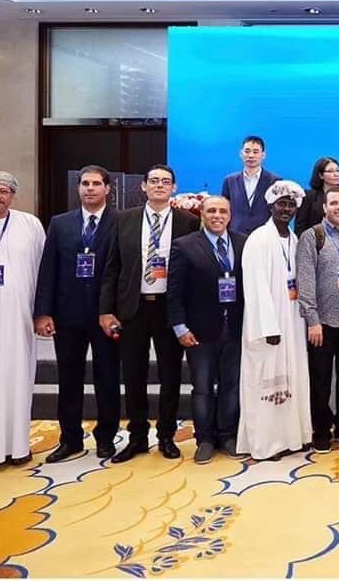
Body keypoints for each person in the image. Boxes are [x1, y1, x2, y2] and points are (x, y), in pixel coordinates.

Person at [100, 164, 199, 463]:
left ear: (174, 187)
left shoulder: (187, 221)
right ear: (143, 186)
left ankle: (166, 436)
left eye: (165, 182)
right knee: (134, 374)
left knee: (170, 374)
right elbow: (112, 267)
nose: (159, 185)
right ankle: (137, 438)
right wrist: (106, 310)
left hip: (170, 308)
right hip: (133, 307)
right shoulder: (123, 219)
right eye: (153, 181)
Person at [34, 166, 120, 463]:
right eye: (85, 183)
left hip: (106, 315)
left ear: (107, 188)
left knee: (107, 377)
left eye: (96, 183)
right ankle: (69, 439)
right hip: (67, 314)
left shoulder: (121, 222)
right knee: (69, 378)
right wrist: (43, 312)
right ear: (78, 188)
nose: (90, 188)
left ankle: (106, 438)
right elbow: (48, 269)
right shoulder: (60, 223)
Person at [167, 195, 246, 464]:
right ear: (202, 214)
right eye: (211, 211)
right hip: (199, 331)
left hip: (235, 329)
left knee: (231, 386)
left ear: (230, 215)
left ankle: (227, 435)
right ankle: (205, 440)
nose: (217, 216)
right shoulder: (185, 246)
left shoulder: (243, 243)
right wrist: (180, 328)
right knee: (202, 388)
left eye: (223, 211)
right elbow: (174, 292)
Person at [236, 180, 312, 460]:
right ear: (270, 206)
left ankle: (292, 437)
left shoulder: (294, 239)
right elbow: (255, 287)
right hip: (268, 325)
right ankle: (266, 443)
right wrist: (268, 326)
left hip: (292, 319)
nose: (286, 209)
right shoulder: (259, 239)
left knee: (293, 377)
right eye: (282, 204)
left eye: (291, 205)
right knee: (268, 381)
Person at [296, 187, 339, 452]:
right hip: (322, 323)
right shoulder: (313, 236)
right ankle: (321, 429)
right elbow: (305, 281)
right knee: (321, 378)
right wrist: (312, 320)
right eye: (333, 203)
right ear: (324, 207)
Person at [0, 171, 46, 466]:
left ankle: (17, 446)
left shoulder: (30, 225)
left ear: (13, 195)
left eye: (4, 191)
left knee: (18, 377)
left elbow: (44, 271)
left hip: (19, 319)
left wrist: (42, 312)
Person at [221, 135, 280, 235]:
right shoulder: (229, 181)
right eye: (247, 151)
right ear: (241, 154)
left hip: (264, 235)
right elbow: (224, 209)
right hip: (235, 235)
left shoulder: (274, 181)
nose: (251, 155)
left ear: (263, 155)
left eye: (255, 152)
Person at [295, 157, 339, 236]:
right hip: (313, 240)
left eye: (338, 170)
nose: (336, 174)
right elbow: (300, 225)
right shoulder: (309, 196)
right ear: (321, 175)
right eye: (331, 171)